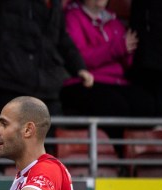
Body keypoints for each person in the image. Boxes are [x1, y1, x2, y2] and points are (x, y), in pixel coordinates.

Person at [60, 0, 156, 142]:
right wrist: (118, 48)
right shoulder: (72, 17)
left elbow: (127, 62)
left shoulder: (113, 20)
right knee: (115, 107)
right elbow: (79, 59)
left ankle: (137, 158)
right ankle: (118, 156)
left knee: (147, 104)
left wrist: (130, 51)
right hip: (86, 81)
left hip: (116, 82)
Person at [0, 0, 93, 115]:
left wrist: (79, 67)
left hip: (48, 85)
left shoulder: (55, 3)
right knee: (16, 130)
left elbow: (61, 37)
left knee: (49, 129)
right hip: (13, 81)